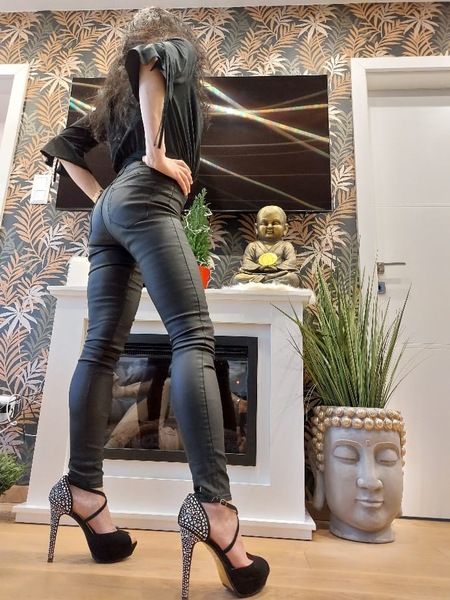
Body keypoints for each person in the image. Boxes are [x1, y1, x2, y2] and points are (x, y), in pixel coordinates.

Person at [41, 7, 269, 598]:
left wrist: (102, 197)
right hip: (148, 197)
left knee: (100, 348)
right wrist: (157, 156)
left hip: (110, 215)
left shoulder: (110, 100)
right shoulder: (174, 50)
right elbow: (151, 65)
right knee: (192, 337)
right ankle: (216, 511)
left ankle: (84, 491)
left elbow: (64, 147)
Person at [231, 205, 300, 287]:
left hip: (278, 274)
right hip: (256, 274)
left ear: (285, 228)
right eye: (264, 223)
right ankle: (268, 281)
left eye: (275, 223)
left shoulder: (286, 245)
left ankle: (264, 282)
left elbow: (291, 261)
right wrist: (260, 268)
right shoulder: (253, 246)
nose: (269, 226)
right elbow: (247, 262)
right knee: (237, 279)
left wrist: (277, 268)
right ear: (256, 228)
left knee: (292, 278)